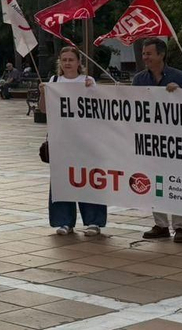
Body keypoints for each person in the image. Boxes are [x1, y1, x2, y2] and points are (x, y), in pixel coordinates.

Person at [134, 38, 182, 243]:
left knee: (176, 181)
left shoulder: (179, 77)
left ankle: (180, 227)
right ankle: (160, 224)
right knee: (154, 181)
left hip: (175, 140)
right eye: (144, 54)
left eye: (149, 54)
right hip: (150, 140)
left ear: (161, 55)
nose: (145, 57)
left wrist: (180, 93)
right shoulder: (139, 79)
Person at [44, 48, 106, 236]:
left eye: (71, 59)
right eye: (64, 60)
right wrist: (43, 93)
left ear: (79, 62)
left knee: (90, 178)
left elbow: (99, 107)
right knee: (62, 180)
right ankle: (64, 221)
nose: (67, 63)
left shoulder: (87, 81)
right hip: (61, 140)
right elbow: (44, 109)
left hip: (86, 140)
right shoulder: (54, 81)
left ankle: (93, 221)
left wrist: (92, 90)